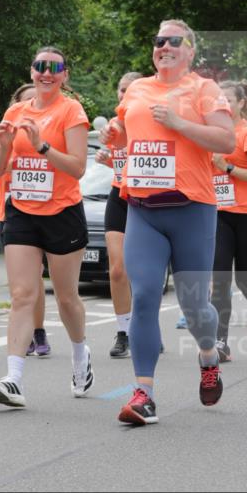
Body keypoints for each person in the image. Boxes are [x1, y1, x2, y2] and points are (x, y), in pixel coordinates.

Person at [100, 19, 235, 426]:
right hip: (143, 209)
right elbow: (126, 132)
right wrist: (114, 132)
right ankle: (144, 394)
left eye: (174, 40)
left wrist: (179, 124)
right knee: (144, 297)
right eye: (159, 40)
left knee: (195, 306)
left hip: (192, 209)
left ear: (190, 51)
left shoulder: (204, 90)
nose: (164, 46)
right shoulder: (139, 88)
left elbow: (226, 141)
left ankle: (208, 357)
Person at [0, 46, 92, 408]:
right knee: (23, 295)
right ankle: (13, 379)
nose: (46, 73)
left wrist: (43, 146)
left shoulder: (70, 111)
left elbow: (77, 168)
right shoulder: (15, 111)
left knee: (65, 299)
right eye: (40, 67)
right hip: (22, 212)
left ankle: (80, 355)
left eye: (54, 68)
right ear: (31, 72)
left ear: (64, 76)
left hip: (62, 212)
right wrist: (5, 145)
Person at [0, 83, 50, 357]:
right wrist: (6, 161)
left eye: (37, 100)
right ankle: (29, 333)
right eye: (27, 101)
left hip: (45, 213)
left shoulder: (52, 132)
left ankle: (39, 331)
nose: (32, 106)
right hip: (9, 213)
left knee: (34, 279)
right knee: (22, 284)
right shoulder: (5, 134)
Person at [210, 81, 247, 363]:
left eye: (229, 101)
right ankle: (220, 342)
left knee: (243, 278)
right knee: (219, 279)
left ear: (241, 103)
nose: (224, 106)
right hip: (219, 212)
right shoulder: (211, 134)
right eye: (219, 101)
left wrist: (229, 168)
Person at [95, 72, 142, 358]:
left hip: (145, 199)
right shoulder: (113, 125)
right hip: (119, 195)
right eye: (121, 89)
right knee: (117, 269)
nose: (124, 94)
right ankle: (123, 331)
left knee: (143, 272)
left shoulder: (149, 121)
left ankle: (145, 325)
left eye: (130, 90)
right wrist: (110, 159)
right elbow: (122, 162)